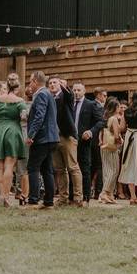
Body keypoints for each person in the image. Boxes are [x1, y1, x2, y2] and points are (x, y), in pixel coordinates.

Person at [0, 79, 25, 206]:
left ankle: (2, 195)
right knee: (9, 166)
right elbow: (24, 116)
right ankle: (5, 196)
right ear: (17, 88)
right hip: (13, 131)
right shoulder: (20, 101)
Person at [24, 71, 59, 209]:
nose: (29, 84)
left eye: (30, 81)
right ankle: (48, 201)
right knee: (47, 169)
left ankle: (33, 200)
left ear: (35, 81)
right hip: (51, 137)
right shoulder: (48, 94)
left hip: (42, 138)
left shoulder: (41, 94)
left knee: (33, 167)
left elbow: (39, 116)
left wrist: (31, 135)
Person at [48, 76, 83, 207]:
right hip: (54, 137)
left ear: (60, 84)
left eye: (54, 82)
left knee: (73, 167)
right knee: (59, 169)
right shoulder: (49, 98)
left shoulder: (66, 96)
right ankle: (63, 198)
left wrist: (64, 86)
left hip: (67, 136)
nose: (52, 85)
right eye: (50, 83)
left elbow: (70, 95)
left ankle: (78, 198)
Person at [71, 82, 104, 205]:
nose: (76, 92)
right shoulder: (70, 104)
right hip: (71, 141)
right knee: (71, 169)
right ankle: (72, 196)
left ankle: (85, 197)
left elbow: (101, 121)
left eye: (79, 90)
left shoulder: (90, 105)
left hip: (84, 141)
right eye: (74, 90)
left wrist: (91, 132)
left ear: (84, 91)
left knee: (85, 169)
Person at [97, 96, 123, 204]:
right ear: (115, 107)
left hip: (104, 146)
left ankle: (109, 193)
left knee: (107, 170)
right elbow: (116, 135)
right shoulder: (114, 119)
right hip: (111, 148)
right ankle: (104, 193)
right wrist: (120, 142)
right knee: (113, 171)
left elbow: (101, 133)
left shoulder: (105, 118)